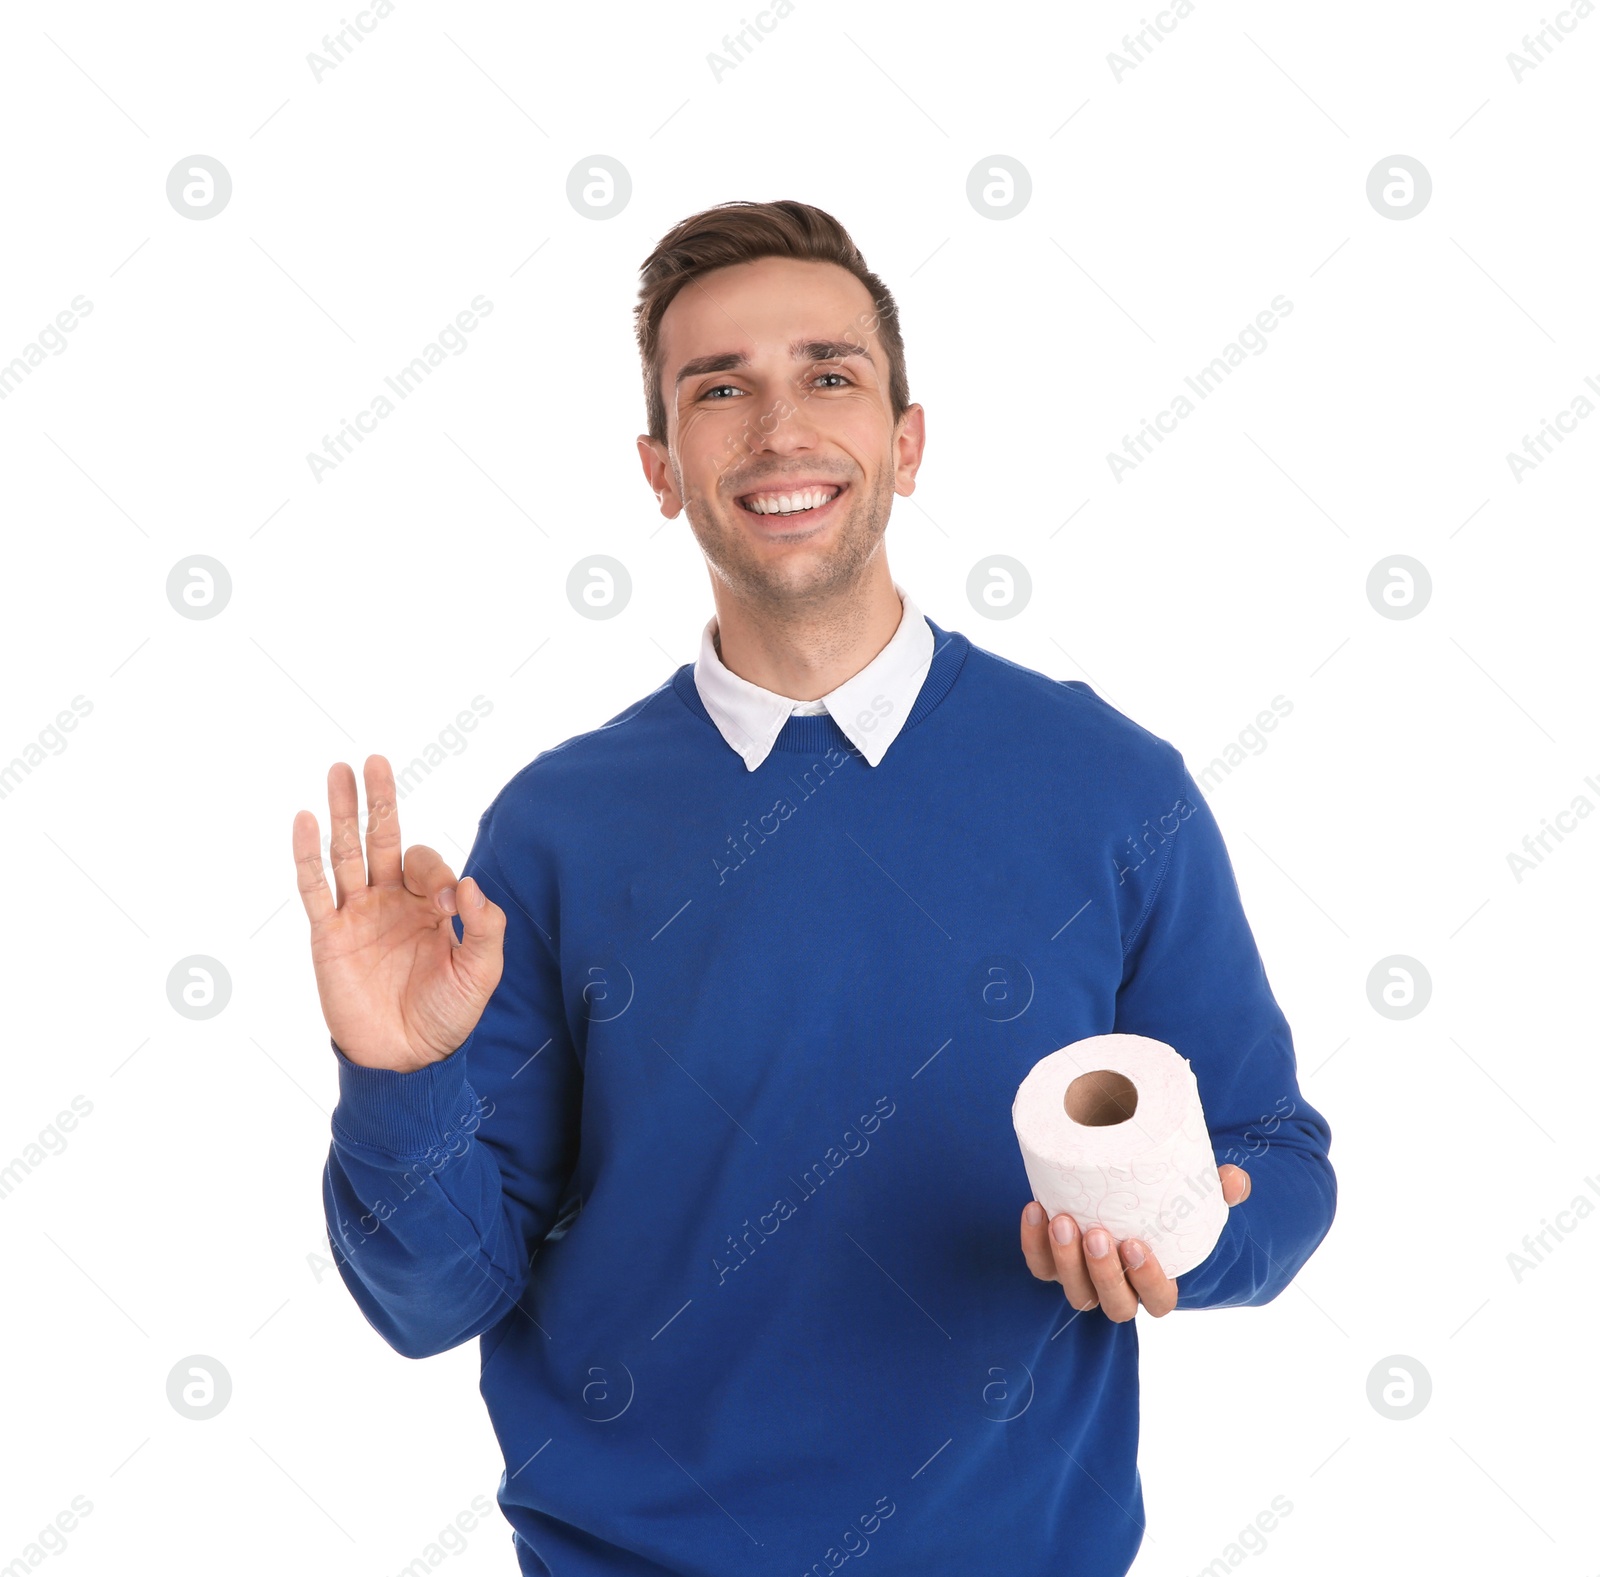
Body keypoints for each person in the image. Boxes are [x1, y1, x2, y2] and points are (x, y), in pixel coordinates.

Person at [293, 199, 1336, 1577]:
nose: (779, 430)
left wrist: (1180, 1243)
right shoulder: (556, 828)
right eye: (720, 390)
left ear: (906, 439)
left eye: (828, 376)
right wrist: (392, 1072)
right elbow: (434, 1301)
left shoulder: (1108, 786)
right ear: (661, 468)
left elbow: (1282, 1162)